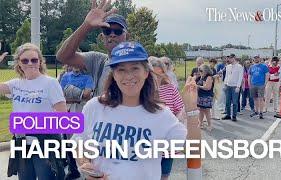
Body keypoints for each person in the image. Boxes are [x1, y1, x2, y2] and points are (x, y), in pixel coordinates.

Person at [71, 42, 191, 180]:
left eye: (135, 68)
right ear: (114, 75)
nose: (128, 76)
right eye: (121, 70)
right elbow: (78, 141)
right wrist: (84, 163)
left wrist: (192, 110)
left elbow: (193, 148)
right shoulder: (95, 107)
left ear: (146, 72)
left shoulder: (161, 115)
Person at [0, 43, 67, 180]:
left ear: (40, 61)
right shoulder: (15, 84)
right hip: (22, 142)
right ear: (19, 63)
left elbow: (63, 116)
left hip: (44, 142)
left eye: (34, 60)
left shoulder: (50, 83)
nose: (30, 63)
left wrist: (30, 124)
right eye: (25, 60)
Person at [57, 0, 124, 97]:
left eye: (118, 31)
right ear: (102, 37)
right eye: (107, 31)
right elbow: (63, 56)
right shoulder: (98, 61)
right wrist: (86, 25)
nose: (112, 34)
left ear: (128, 36)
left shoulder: (139, 63)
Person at [149, 57, 184, 180]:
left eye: (159, 75)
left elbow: (180, 109)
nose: (156, 79)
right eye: (152, 75)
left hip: (167, 143)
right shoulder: (142, 91)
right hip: (148, 143)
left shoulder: (171, 89)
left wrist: (175, 121)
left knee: (164, 174)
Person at [221, 54, 243, 121]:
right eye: (229, 58)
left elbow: (240, 77)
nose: (229, 59)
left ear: (234, 58)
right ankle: (228, 115)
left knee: (234, 102)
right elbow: (226, 76)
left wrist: (238, 87)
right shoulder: (228, 66)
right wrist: (225, 84)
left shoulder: (239, 67)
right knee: (227, 102)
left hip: (235, 87)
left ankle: (234, 116)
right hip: (228, 86)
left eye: (230, 58)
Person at [196, 64, 214, 130]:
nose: (200, 72)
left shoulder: (209, 77)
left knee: (207, 111)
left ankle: (210, 125)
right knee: (201, 110)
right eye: (199, 70)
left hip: (207, 96)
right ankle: (200, 124)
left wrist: (198, 86)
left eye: (201, 70)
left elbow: (207, 87)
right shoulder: (202, 77)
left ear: (205, 70)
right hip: (201, 96)